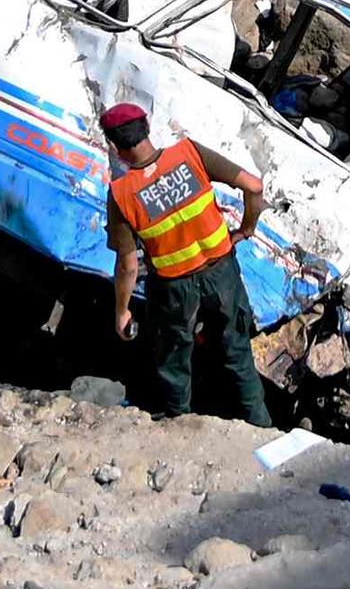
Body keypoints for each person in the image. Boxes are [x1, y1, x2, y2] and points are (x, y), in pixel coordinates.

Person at [99, 101, 272, 427]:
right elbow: (255, 186)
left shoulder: (122, 194)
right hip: (222, 273)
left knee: (174, 359)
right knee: (237, 353)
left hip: (173, 289)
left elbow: (127, 265)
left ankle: (181, 427)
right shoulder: (189, 153)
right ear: (147, 128)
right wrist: (246, 228)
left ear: (114, 144)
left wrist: (121, 310)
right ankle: (262, 428)